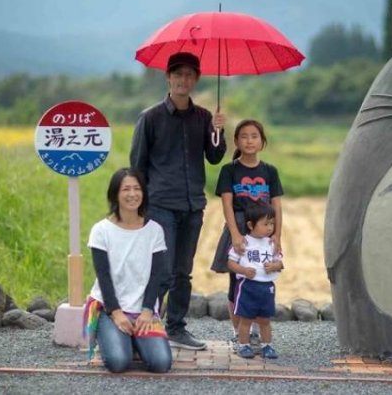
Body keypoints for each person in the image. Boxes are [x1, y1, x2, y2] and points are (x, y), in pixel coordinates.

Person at [130, 52, 227, 350]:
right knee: (162, 268)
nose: (183, 80)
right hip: (160, 204)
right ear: (167, 77)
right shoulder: (151, 117)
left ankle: (176, 328)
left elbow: (214, 157)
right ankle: (147, 327)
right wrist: (138, 207)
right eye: (178, 74)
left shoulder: (203, 118)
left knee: (183, 271)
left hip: (192, 205)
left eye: (189, 75)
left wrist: (218, 131)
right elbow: (137, 165)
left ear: (196, 79)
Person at [83, 167, 172, 373]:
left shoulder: (155, 230)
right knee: (118, 362)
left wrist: (148, 311)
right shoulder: (101, 230)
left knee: (161, 363)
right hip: (110, 308)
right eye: (126, 189)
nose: (132, 194)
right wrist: (116, 313)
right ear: (115, 194)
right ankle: (118, 337)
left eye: (136, 188)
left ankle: (134, 339)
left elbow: (156, 275)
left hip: (143, 310)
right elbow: (103, 276)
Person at [210, 119, 283, 348]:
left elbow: (277, 206)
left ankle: (260, 330)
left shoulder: (270, 171)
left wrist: (277, 236)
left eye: (254, 136)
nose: (249, 141)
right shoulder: (229, 170)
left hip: (264, 232)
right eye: (244, 136)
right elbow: (227, 205)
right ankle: (239, 331)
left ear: (262, 141)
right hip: (239, 227)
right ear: (236, 141)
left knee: (263, 276)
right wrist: (235, 234)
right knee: (238, 280)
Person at [228, 204, 284, 359]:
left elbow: (281, 263)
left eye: (272, 223)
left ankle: (267, 346)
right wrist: (243, 271)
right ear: (251, 225)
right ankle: (244, 345)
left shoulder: (271, 243)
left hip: (267, 287)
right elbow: (231, 262)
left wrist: (274, 266)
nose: (269, 228)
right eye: (265, 224)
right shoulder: (243, 242)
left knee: (265, 320)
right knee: (246, 319)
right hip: (247, 286)